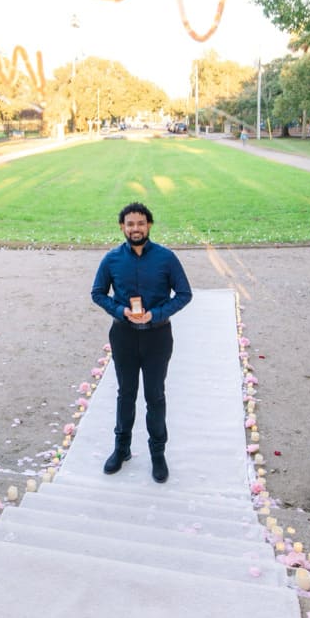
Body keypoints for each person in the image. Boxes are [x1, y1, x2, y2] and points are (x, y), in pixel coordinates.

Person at [91, 202, 192, 483]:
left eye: (140, 223)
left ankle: (157, 453)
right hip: (123, 335)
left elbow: (184, 294)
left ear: (149, 225)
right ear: (122, 227)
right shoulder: (111, 259)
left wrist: (156, 313)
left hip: (157, 336)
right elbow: (97, 293)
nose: (135, 228)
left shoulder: (166, 258)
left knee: (155, 396)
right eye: (130, 224)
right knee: (126, 394)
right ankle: (121, 448)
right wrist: (120, 310)